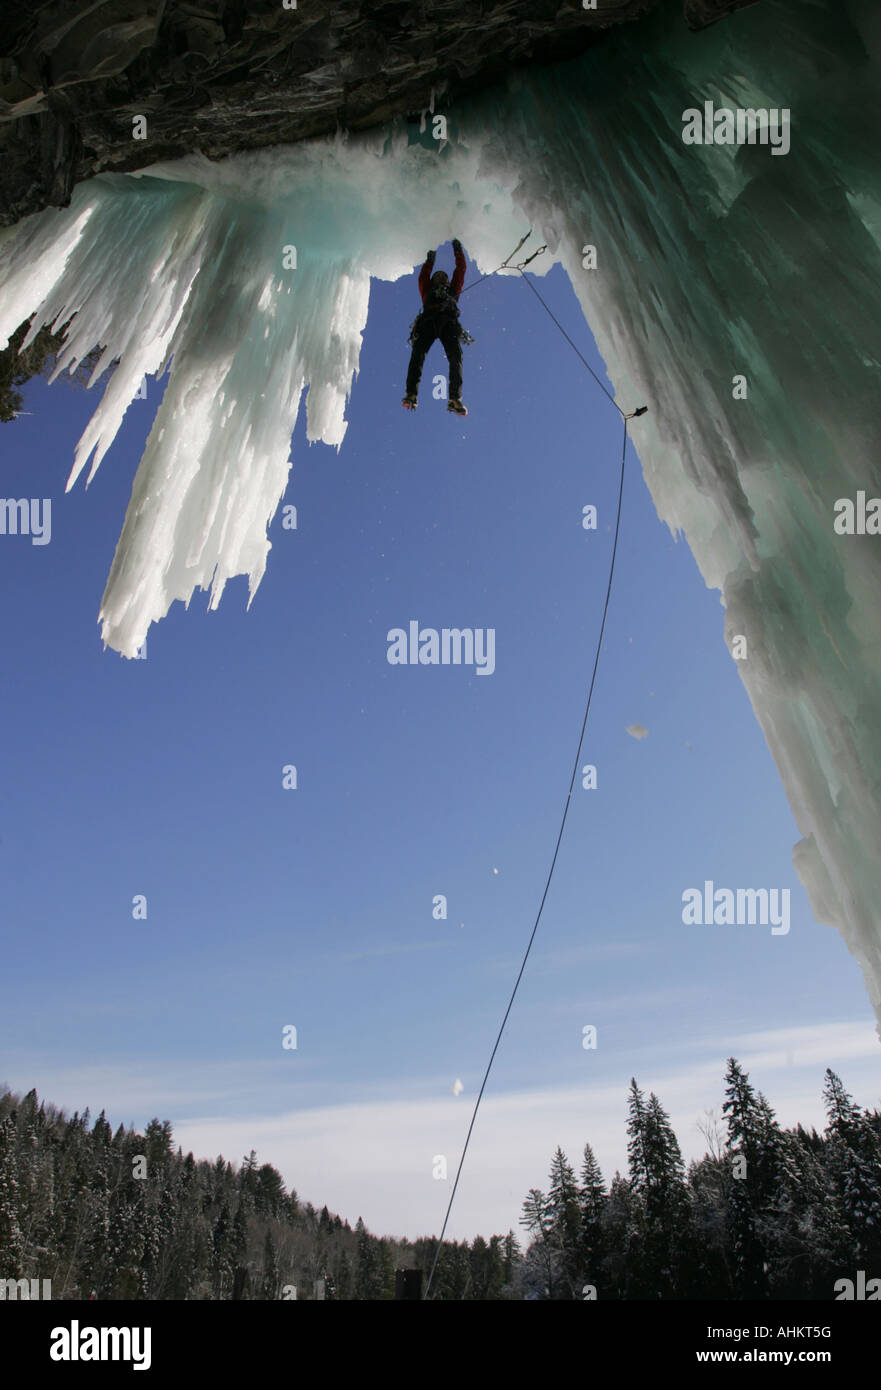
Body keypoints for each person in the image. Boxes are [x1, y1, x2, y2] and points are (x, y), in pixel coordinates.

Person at [402, 239, 472, 416]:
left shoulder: (453, 289)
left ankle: (455, 398)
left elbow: (460, 270)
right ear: (433, 280)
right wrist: (430, 260)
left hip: (447, 323)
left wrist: (458, 251)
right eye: (438, 276)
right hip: (429, 321)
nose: (441, 278)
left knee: (455, 355)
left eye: (444, 277)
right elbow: (423, 276)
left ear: (448, 282)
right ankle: (411, 393)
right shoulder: (427, 289)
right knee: (418, 353)